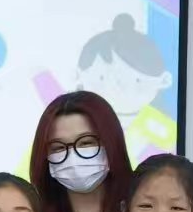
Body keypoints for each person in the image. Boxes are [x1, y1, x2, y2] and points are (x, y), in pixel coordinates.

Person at [75, 12, 177, 159]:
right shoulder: (79, 122)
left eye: (137, 80)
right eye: (101, 78)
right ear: (78, 76)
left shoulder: (162, 127)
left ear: (164, 80)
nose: (116, 88)